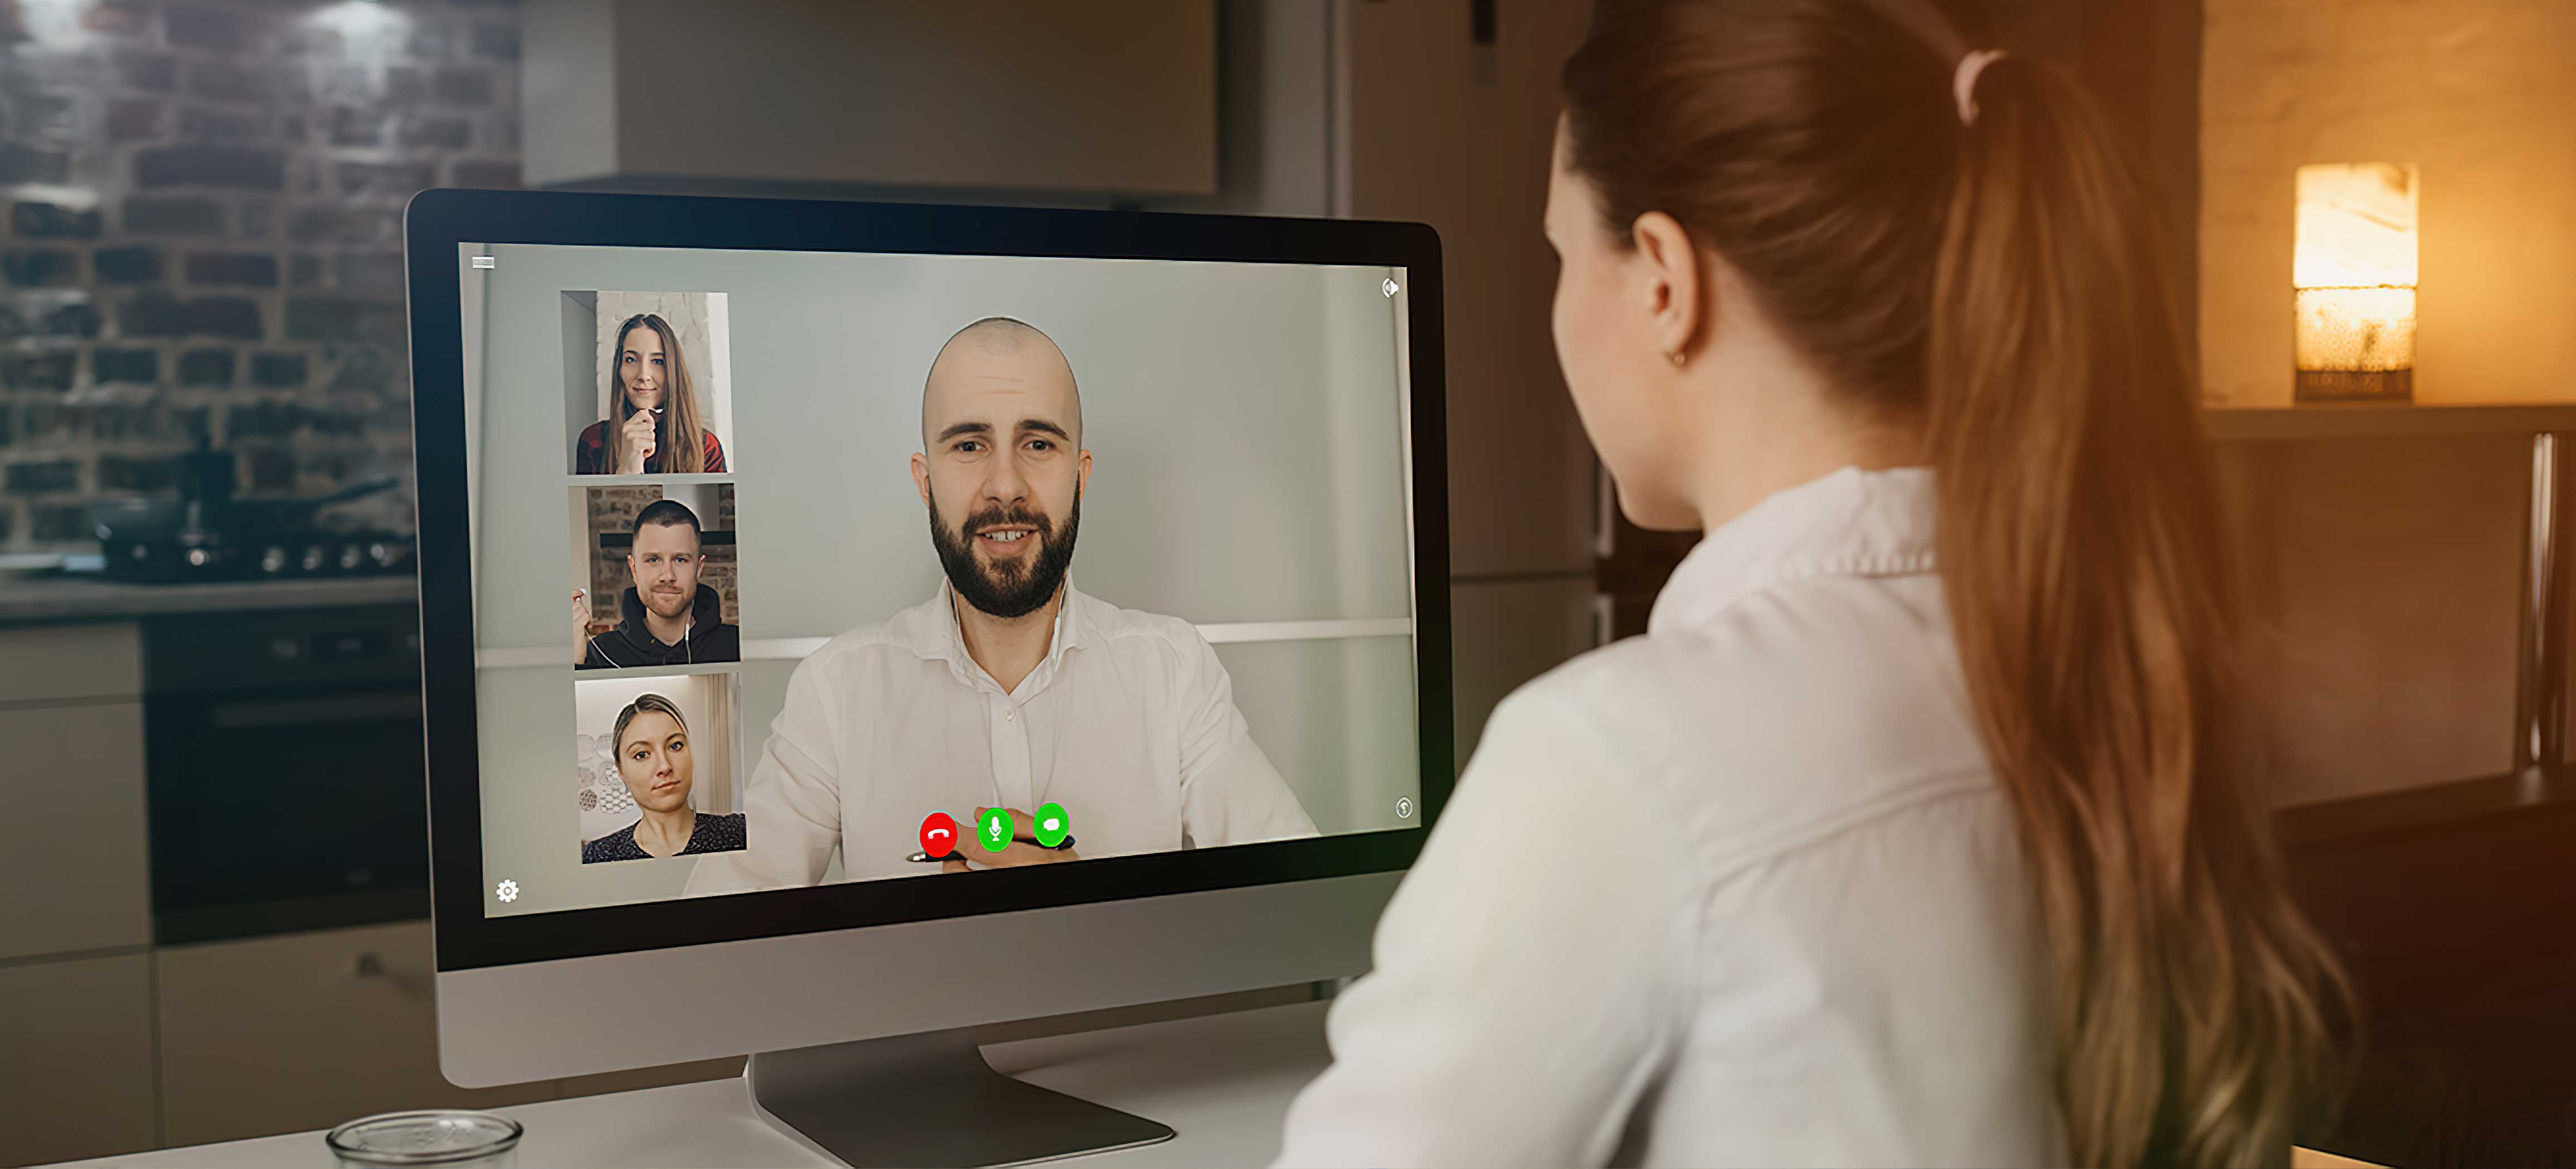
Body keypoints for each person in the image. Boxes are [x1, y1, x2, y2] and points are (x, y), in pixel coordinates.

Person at [1274, 3, 2349, 1167]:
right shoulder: (2116, 660)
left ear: (1665, 284)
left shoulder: (1621, 760)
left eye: (1561, 253)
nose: (1555, 305)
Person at [684, 317, 1315, 893]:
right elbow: (710, 946)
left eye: (1038, 444)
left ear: (1080, 474)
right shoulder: (835, 691)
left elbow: (1300, 903)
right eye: (968, 445)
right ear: (924, 480)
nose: (1006, 485)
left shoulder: (1174, 673)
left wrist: (1092, 917)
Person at [574, 498, 741, 668]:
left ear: (699, 568)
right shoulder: (602, 654)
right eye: (654, 560)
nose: (668, 576)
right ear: (634, 569)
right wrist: (574, 665)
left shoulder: (738, 647)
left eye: (680, 560)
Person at [582, 693, 745, 863]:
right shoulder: (596, 856)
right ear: (621, 770)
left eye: (675, 746)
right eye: (642, 755)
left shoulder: (741, 833)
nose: (665, 767)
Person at [576, 312, 728, 474]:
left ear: (673, 372)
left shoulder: (705, 447)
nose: (643, 375)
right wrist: (627, 467)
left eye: (657, 361)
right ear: (619, 369)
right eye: (631, 359)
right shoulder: (593, 440)